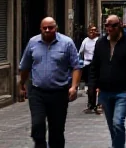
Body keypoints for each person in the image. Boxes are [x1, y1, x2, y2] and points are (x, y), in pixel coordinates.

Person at [19, 17, 81, 148]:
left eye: (51, 28)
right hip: (37, 92)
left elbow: (76, 67)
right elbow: (25, 66)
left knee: (57, 130)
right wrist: (21, 85)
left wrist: (74, 87)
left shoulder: (67, 43)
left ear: (56, 28)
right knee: (37, 126)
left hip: (59, 92)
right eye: (44, 28)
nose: (47, 30)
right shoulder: (33, 42)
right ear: (40, 28)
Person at [90, 14, 126, 148]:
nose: (110, 28)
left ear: (120, 25)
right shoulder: (100, 43)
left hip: (123, 90)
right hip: (105, 91)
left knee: (118, 123)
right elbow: (95, 66)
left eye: (113, 25)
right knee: (111, 125)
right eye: (107, 25)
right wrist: (93, 86)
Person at [79, 24, 100, 114]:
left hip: (98, 65)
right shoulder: (85, 41)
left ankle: (99, 105)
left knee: (98, 85)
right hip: (88, 64)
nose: (92, 32)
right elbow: (80, 52)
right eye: (90, 31)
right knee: (91, 86)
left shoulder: (99, 41)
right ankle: (91, 104)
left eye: (94, 30)